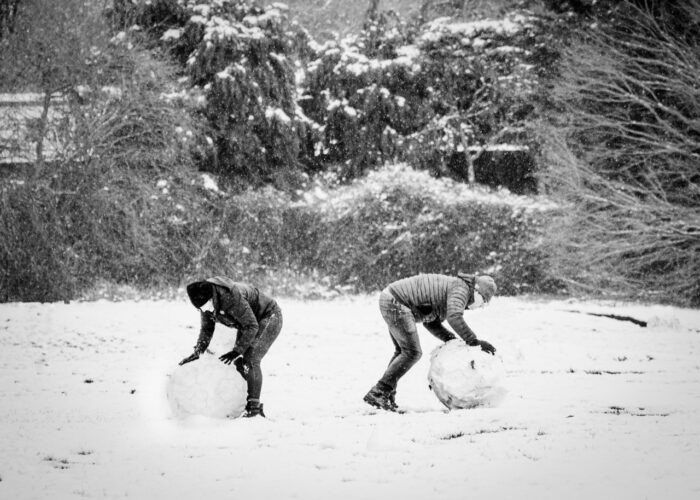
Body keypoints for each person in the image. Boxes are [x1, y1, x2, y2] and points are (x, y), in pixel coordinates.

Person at [364, 272, 497, 412]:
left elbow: (431, 322)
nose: (482, 306)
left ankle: (385, 394)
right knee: (412, 353)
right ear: (477, 292)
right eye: (484, 301)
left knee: (403, 352)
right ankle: (379, 392)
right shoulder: (461, 290)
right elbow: (454, 317)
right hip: (396, 302)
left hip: (391, 298)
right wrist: (473, 341)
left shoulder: (456, 289)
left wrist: (451, 340)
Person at [179, 276, 282, 418]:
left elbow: (252, 326)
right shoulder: (206, 304)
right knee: (239, 363)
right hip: (247, 323)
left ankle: (254, 409)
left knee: (250, 359)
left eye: (205, 306)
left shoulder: (231, 297)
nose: (205, 310)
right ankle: (244, 403)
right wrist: (198, 351)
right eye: (200, 309)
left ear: (211, 298)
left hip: (269, 316)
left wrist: (236, 351)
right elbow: (207, 329)